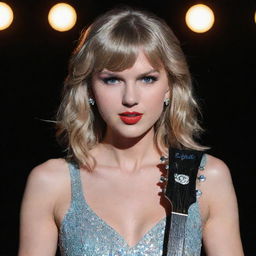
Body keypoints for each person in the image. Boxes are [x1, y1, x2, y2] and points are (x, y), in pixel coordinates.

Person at [18, 6, 244, 256]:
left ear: (169, 86)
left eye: (147, 79)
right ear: (90, 88)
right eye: (112, 79)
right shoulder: (52, 182)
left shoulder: (207, 178)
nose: (130, 98)